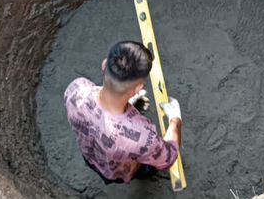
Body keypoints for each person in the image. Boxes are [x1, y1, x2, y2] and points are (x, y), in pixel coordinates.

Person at [64, 41, 183, 184]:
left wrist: (127, 100)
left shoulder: (76, 89)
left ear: (104, 64)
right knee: (146, 169)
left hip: (92, 158)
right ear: (138, 88)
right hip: (122, 171)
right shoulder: (142, 138)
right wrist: (175, 120)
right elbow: (168, 157)